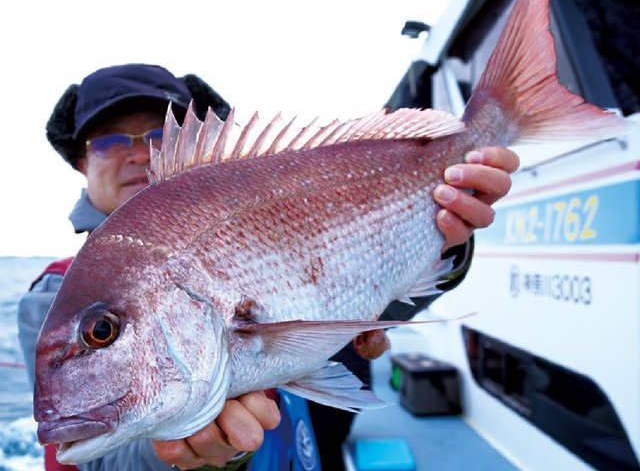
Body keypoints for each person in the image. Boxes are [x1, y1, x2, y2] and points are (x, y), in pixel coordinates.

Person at [17, 63, 518, 471]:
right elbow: (103, 465)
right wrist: (199, 455)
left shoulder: (268, 202)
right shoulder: (51, 296)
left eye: (158, 133)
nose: (134, 154)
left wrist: (448, 241)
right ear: (81, 163)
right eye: (107, 141)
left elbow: (369, 300)